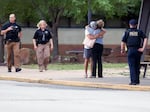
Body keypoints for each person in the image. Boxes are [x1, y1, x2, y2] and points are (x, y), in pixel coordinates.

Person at [121, 19, 148, 85]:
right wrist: (143, 48)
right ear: (136, 25)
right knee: (137, 65)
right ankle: (137, 80)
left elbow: (123, 42)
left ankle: (133, 81)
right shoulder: (139, 31)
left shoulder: (127, 32)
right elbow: (145, 38)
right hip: (138, 50)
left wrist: (122, 50)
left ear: (130, 25)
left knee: (132, 66)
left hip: (130, 49)